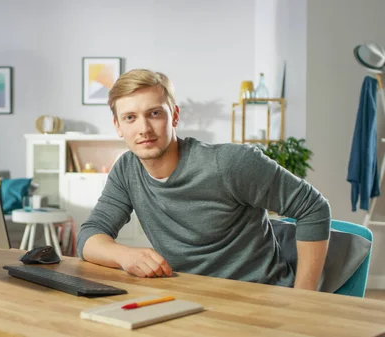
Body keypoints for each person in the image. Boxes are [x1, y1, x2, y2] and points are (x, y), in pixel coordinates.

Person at [76, 69, 331, 290]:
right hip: (192, 298)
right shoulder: (127, 169)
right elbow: (90, 236)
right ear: (118, 126)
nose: (143, 129)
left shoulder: (230, 163)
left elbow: (314, 208)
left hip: (262, 298)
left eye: (154, 113)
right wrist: (124, 256)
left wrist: (303, 298)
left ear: (174, 115)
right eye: (130, 117)